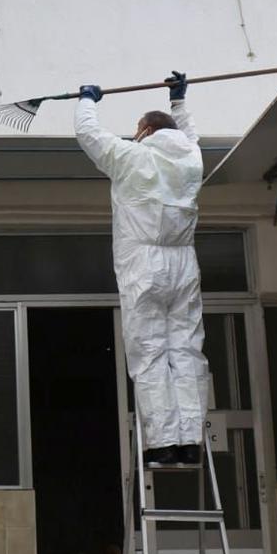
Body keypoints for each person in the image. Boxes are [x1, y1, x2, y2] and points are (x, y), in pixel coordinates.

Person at [74, 71, 209, 467]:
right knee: (186, 350)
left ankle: (164, 444)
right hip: (183, 262)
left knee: (149, 351)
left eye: (137, 130)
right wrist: (179, 102)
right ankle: (191, 440)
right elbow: (190, 135)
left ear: (146, 130)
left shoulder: (133, 157)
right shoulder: (191, 159)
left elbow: (90, 136)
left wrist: (87, 100)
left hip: (144, 264)